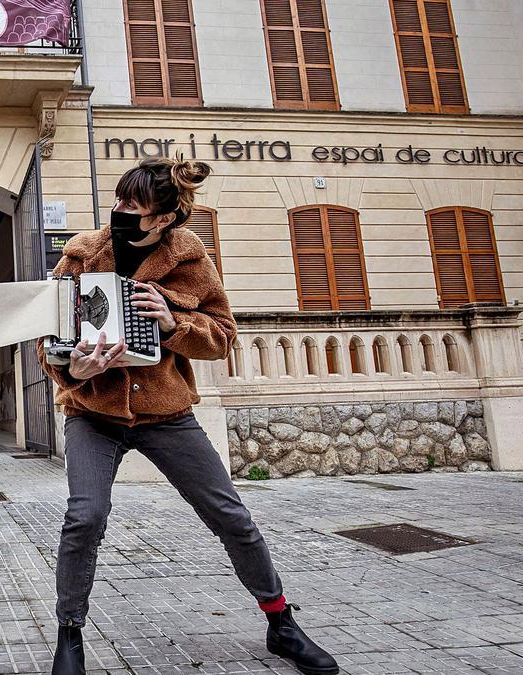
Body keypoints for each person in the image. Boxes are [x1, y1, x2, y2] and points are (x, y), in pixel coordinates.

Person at [39, 157, 339, 675]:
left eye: (134, 206)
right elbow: (48, 341)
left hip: (166, 413)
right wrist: (76, 371)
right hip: (94, 413)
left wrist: (174, 324)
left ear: (164, 218)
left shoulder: (190, 260)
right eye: (118, 201)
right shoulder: (81, 255)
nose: (119, 212)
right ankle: (70, 634)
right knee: (83, 518)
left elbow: (223, 337)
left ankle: (281, 623)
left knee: (230, 517)